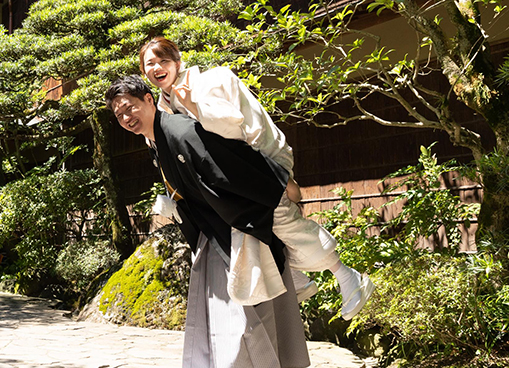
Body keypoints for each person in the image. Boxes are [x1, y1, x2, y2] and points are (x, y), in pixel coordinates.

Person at [106, 75, 311, 368]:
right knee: (213, 313)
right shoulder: (158, 140)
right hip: (212, 232)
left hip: (237, 227)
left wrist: (276, 189)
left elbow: (229, 168)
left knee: (240, 314)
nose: (126, 117)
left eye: (130, 107)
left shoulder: (182, 131)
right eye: (118, 114)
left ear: (149, 100)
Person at [140, 37, 374, 320]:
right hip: (233, 174)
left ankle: (347, 276)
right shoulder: (167, 104)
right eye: (150, 64)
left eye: (163, 60)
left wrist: (196, 105)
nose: (157, 68)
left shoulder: (209, 81)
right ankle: (297, 279)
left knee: (283, 223)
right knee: (255, 229)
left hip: (260, 159)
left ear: (178, 62)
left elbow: (230, 126)